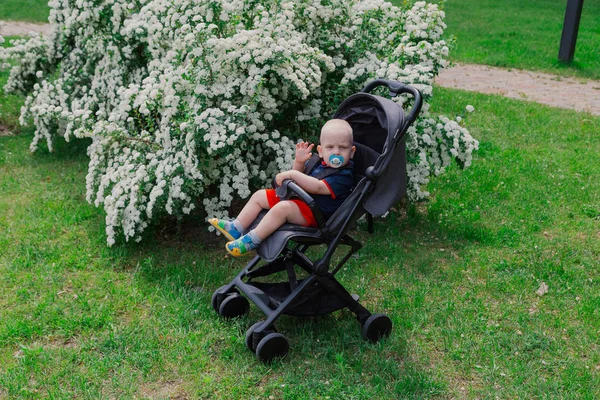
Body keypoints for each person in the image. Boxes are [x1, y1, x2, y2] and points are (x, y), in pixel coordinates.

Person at [209, 119, 356, 256]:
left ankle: (251, 241)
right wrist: (299, 162)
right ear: (321, 150)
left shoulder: (344, 176)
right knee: (260, 195)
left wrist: (291, 174)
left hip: (316, 215)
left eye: (342, 147)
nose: (336, 152)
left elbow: (317, 187)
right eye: (330, 147)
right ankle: (237, 227)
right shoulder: (319, 163)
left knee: (283, 208)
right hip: (300, 201)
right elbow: (299, 177)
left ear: (352, 152)